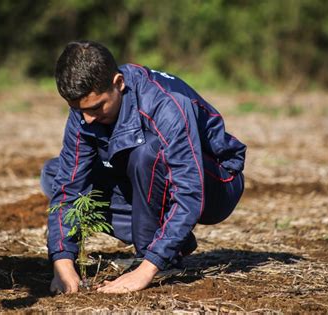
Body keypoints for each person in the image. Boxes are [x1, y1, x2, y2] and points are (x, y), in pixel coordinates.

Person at [41, 40, 246, 294]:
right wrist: (62, 263)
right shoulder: (85, 112)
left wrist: (147, 269)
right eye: (78, 110)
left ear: (118, 83)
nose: (87, 119)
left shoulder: (166, 105)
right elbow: (69, 186)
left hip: (215, 183)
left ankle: (157, 254)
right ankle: (171, 241)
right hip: (149, 175)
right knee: (53, 172)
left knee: (147, 152)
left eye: (96, 107)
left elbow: (189, 193)